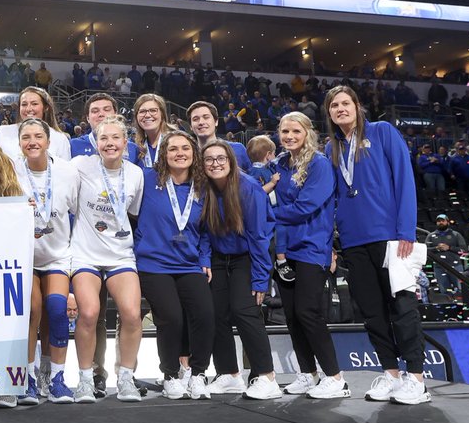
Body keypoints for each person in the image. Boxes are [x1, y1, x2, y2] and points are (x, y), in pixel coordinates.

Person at [325, 86, 429, 404]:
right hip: (354, 242)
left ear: (358, 106)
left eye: (345, 103)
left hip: (390, 238)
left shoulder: (383, 132)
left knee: (402, 307)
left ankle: (416, 378)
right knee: (372, 313)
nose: (340, 109)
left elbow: (404, 179)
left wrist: (405, 232)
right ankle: (391, 374)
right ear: (328, 113)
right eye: (334, 105)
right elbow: (334, 198)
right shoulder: (333, 149)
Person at [68, 116, 144, 403]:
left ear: (126, 142)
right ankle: (85, 380)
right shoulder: (80, 166)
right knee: (88, 314)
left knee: (132, 314)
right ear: (95, 142)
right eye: (104, 138)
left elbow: (132, 214)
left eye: (116, 138)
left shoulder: (135, 174)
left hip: (120, 253)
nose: (110, 143)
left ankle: (126, 378)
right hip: (85, 252)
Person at [133, 131, 214, 400]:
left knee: (204, 314)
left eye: (185, 149)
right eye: (173, 149)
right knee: (171, 317)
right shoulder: (146, 180)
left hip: (189, 264)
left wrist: (204, 259)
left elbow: (206, 231)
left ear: (194, 154)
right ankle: (169, 374)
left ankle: (198, 374)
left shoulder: (203, 187)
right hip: (153, 263)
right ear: (163, 156)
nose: (180, 153)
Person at [273, 112, 347, 399]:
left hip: (312, 247)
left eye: (295, 131)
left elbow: (305, 207)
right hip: (285, 249)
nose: (289, 136)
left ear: (307, 133)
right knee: (291, 315)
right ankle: (308, 374)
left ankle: (335, 377)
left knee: (308, 312)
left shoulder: (319, 164)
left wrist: (268, 215)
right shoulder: (280, 163)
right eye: (284, 131)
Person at [198, 139, 279, 399]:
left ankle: (267, 377)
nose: (215, 163)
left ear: (231, 161)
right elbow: (202, 232)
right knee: (216, 314)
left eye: (221, 158)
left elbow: (259, 237)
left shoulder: (249, 188)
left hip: (247, 258)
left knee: (245, 312)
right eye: (209, 159)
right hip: (219, 259)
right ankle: (229, 374)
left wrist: (260, 279)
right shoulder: (204, 189)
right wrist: (205, 259)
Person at [16, 117, 78, 403]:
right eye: (26, 137)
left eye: (38, 136)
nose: (32, 142)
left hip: (56, 256)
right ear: (19, 143)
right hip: (25, 256)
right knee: (31, 311)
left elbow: (78, 218)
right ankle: (28, 377)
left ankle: (56, 377)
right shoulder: (11, 171)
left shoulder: (68, 172)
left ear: (48, 141)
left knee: (56, 310)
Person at [0, 87, 71, 161]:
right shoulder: (2, 133)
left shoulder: (60, 138)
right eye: (24, 104)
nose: (28, 109)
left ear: (46, 107)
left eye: (34, 104)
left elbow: (64, 171)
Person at [70, 93, 137, 161]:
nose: (101, 114)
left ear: (116, 114)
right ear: (88, 118)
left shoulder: (132, 149)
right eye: (95, 111)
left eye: (107, 110)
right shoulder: (73, 145)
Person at [187, 101, 250, 172]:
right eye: (195, 119)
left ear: (216, 121)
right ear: (190, 126)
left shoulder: (238, 149)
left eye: (206, 117)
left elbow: (255, 179)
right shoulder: (187, 156)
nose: (201, 122)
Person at [426, 214, 467, 296]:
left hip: (455, 266)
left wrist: (449, 248)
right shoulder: (431, 236)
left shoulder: (456, 234)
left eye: (443, 221)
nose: (441, 222)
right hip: (439, 267)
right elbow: (425, 250)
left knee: (460, 289)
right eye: (439, 221)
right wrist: (436, 248)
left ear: (448, 222)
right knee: (444, 290)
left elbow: (464, 250)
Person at [131, 94, 176, 169]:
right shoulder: (134, 146)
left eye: (153, 110)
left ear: (162, 115)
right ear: (136, 116)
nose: (147, 115)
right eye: (142, 111)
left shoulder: (177, 140)